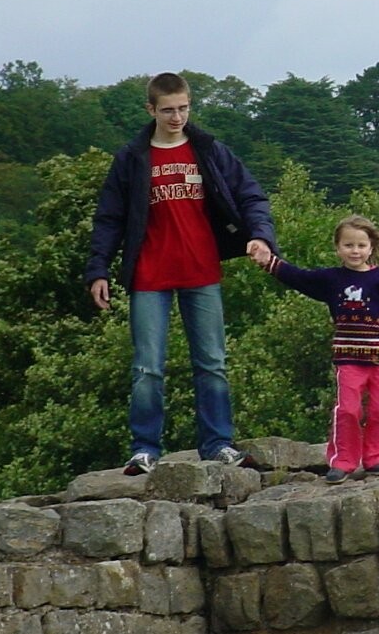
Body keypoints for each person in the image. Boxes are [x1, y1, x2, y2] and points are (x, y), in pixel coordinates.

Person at [85, 71, 276, 475]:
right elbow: (109, 218)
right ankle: (144, 449)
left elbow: (251, 194)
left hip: (200, 269)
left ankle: (217, 444)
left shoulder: (208, 149)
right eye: (168, 110)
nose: (177, 118)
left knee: (212, 363)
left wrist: (260, 236)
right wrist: (98, 269)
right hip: (149, 273)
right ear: (150, 109)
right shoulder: (132, 158)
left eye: (184, 109)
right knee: (147, 367)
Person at [256, 215, 379, 483]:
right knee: (348, 410)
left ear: (371, 247)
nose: (355, 251)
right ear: (338, 248)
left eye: (361, 245)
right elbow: (299, 277)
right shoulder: (331, 279)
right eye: (348, 245)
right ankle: (343, 461)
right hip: (348, 358)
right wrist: (268, 261)